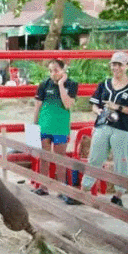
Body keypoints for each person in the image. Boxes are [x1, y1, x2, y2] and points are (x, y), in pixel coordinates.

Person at [76, 51, 128, 207]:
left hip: (123, 129)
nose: (116, 68)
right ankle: (83, 191)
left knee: (122, 161)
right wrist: (99, 111)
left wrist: (118, 108)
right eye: (114, 64)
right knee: (95, 158)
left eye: (120, 64)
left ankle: (118, 195)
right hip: (103, 126)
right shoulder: (104, 84)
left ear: (127, 66)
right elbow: (94, 105)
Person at [31, 59, 79, 202]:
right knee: (44, 157)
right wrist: (35, 125)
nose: (53, 73)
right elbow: (38, 106)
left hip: (60, 126)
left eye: (56, 70)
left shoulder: (71, 84)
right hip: (44, 124)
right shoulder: (44, 84)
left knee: (60, 158)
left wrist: (61, 84)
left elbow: (67, 104)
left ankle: (61, 189)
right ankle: (43, 186)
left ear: (63, 70)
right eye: (51, 70)